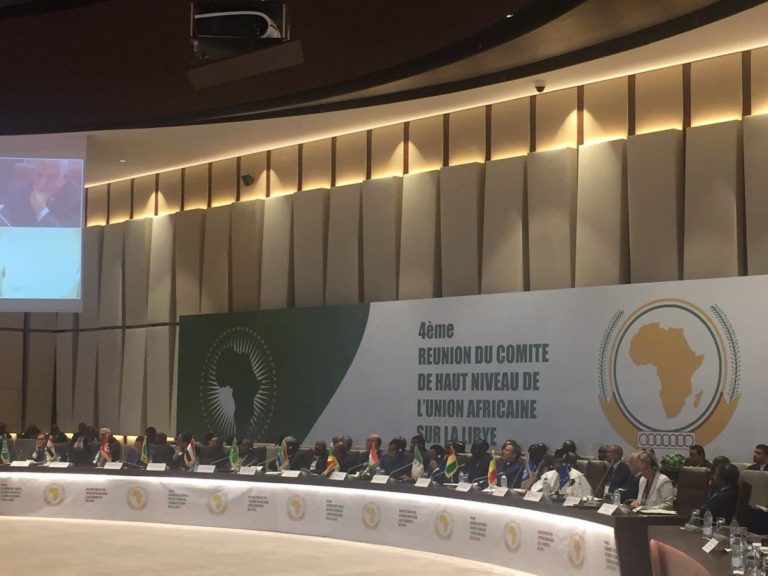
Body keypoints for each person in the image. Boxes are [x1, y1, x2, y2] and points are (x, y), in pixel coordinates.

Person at [0, 159, 68, 227]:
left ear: (63, 179)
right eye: (39, 175)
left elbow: (66, 234)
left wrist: (41, 210)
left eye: (50, 177)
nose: (41, 183)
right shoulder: (16, 191)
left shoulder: (73, 202)